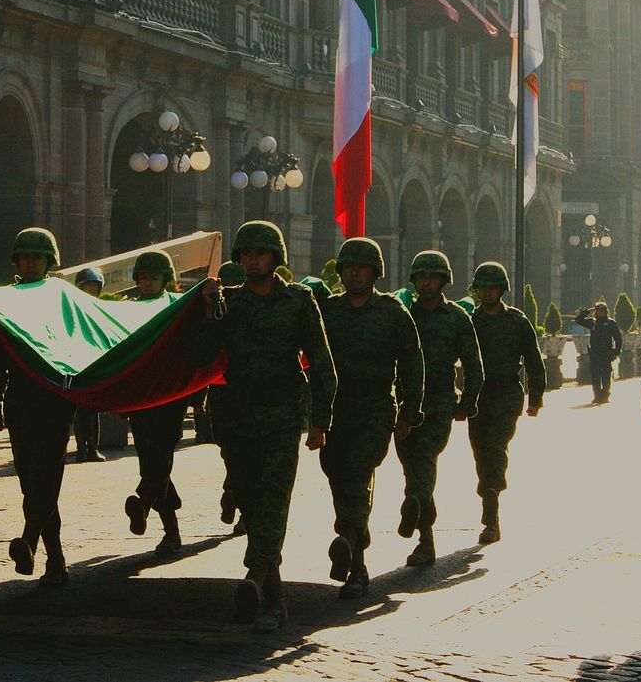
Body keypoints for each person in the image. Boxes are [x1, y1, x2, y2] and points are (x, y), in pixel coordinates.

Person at [193, 221, 335, 632]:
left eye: (261, 252)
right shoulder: (227, 303)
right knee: (253, 507)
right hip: (236, 419)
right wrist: (206, 308)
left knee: (273, 499)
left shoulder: (299, 301)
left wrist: (320, 422)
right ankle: (274, 601)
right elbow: (203, 357)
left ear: (276, 258)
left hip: (282, 417)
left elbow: (323, 365)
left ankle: (255, 576)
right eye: (246, 253)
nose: (253, 259)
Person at [321, 237, 424, 598]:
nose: (353, 273)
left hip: (375, 409)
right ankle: (355, 552)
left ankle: (351, 547)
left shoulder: (393, 312)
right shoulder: (328, 312)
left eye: (361, 267)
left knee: (359, 471)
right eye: (348, 267)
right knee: (338, 477)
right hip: (335, 411)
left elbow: (413, 362)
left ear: (375, 271)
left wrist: (410, 411)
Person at [0, 228, 77, 588]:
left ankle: (30, 541)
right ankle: (55, 559)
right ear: (17, 261)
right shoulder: (7, 300)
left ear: (50, 261)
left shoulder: (63, 298)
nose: (32, 262)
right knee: (31, 482)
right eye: (25, 256)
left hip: (55, 399)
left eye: (38, 257)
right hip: (20, 401)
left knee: (46, 476)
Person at [394, 251, 482, 566]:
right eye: (420, 277)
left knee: (425, 458)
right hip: (405, 405)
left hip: (440, 403)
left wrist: (467, 403)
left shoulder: (457, 318)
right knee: (412, 469)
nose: (425, 282)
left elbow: (474, 365)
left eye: (431, 276)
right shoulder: (404, 315)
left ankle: (415, 507)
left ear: (443, 280)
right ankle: (424, 536)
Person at [467, 262, 545, 545]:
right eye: (483, 288)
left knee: (496, 444)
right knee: (480, 449)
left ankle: (491, 500)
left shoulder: (517, 321)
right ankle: (488, 487)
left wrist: (535, 398)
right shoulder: (470, 322)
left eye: (492, 287)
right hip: (478, 396)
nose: (487, 292)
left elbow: (534, 361)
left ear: (501, 290)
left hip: (508, 393)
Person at [123, 250, 189, 555]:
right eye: (144, 278)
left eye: (154, 277)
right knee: (150, 461)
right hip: (140, 396)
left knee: (159, 455)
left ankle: (143, 502)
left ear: (166, 279)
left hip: (171, 396)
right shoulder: (127, 311)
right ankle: (171, 532)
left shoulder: (177, 307)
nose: (148, 283)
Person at [206, 261, 247, 532]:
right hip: (223, 394)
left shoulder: (253, 308)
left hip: (245, 394)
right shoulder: (213, 309)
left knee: (245, 454)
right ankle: (233, 489)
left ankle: (241, 503)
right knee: (230, 451)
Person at [72, 267, 107, 463]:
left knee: (93, 410)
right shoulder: (74, 306)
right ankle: (80, 449)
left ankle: (93, 448)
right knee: (80, 410)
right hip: (78, 362)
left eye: (95, 286)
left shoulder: (99, 307)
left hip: (95, 361)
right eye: (88, 285)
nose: (92, 289)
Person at [575, 302, 623, 404]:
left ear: (605, 312)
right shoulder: (592, 322)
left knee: (606, 375)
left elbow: (618, 338)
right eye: (598, 311)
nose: (600, 313)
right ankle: (597, 396)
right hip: (595, 354)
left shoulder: (611, 323)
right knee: (595, 376)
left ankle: (605, 395)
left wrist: (616, 352)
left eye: (602, 311)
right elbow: (578, 320)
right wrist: (589, 310)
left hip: (606, 353)